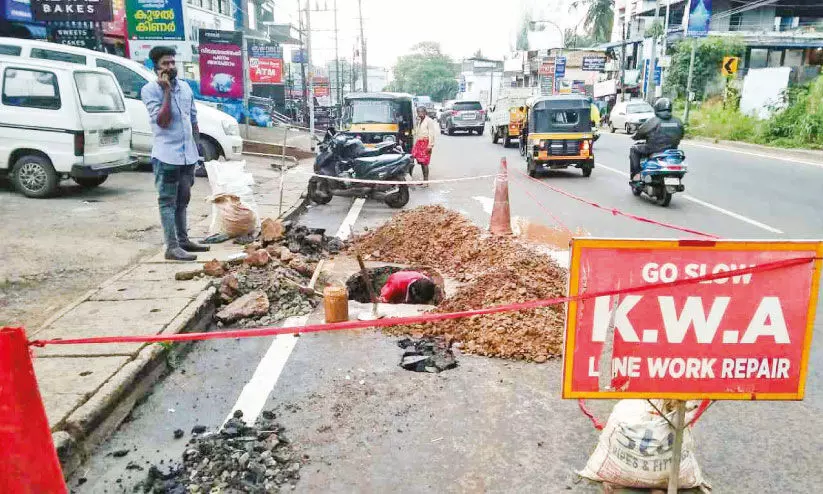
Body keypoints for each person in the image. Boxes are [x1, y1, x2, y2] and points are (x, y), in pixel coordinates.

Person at [141, 46, 210, 261]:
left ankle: (183, 240)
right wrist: (167, 91)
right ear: (156, 69)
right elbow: (163, 121)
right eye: (165, 64)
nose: (171, 67)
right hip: (167, 156)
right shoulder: (151, 90)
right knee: (168, 202)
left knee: (183, 200)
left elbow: (193, 119)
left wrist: (197, 149)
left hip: (187, 156)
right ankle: (171, 247)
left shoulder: (187, 89)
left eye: (172, 62)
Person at [629, 97, 684, 181]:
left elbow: (640, 132)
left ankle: (636, 174)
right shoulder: (678, 121)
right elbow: (681, 135)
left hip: (653, 149)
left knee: (634, 149)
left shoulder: (654, 121)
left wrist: (635, 136)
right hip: (672, 150)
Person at [411, 105, 438, 183]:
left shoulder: (429, 121)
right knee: (412, 159)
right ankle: (411, 179)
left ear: (425, 112)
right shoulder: (419, 121)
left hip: (425, 143)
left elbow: (431, 134)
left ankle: (425, 181)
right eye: (418, 112)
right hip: (419, 143)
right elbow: (415, 132)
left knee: (424, 163)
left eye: (422, 112)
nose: (420, 113)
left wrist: (430, 146)